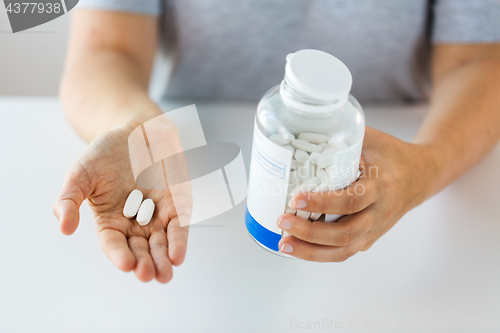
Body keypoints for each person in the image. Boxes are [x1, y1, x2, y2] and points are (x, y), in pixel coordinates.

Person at [53, 0, 500, 283]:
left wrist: (425, 166)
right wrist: (138, 129)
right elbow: (106, 49)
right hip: (199, 188)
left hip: (395, 205)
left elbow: (479, 60)